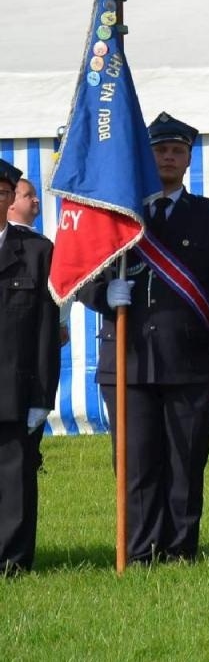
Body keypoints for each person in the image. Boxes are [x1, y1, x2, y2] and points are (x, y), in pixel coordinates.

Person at [80, 112, 209, 563]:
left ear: (188, 159)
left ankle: (180, 548)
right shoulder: (118, 213)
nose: (168, 157)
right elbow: (79, 271)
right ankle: (140, 549)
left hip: (188, 359)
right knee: (135, 465)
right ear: (145, 157)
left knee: (186, 462)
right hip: (128, 359)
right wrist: (102, 294)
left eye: (177, 151)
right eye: (160, 150)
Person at [0, 160, 60, 575]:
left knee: (15, 480)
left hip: (15, 387)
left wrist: (43, 396)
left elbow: (45, 331)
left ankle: (12, 560)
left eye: (3, 192)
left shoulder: (37, 251)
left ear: (9, 199)